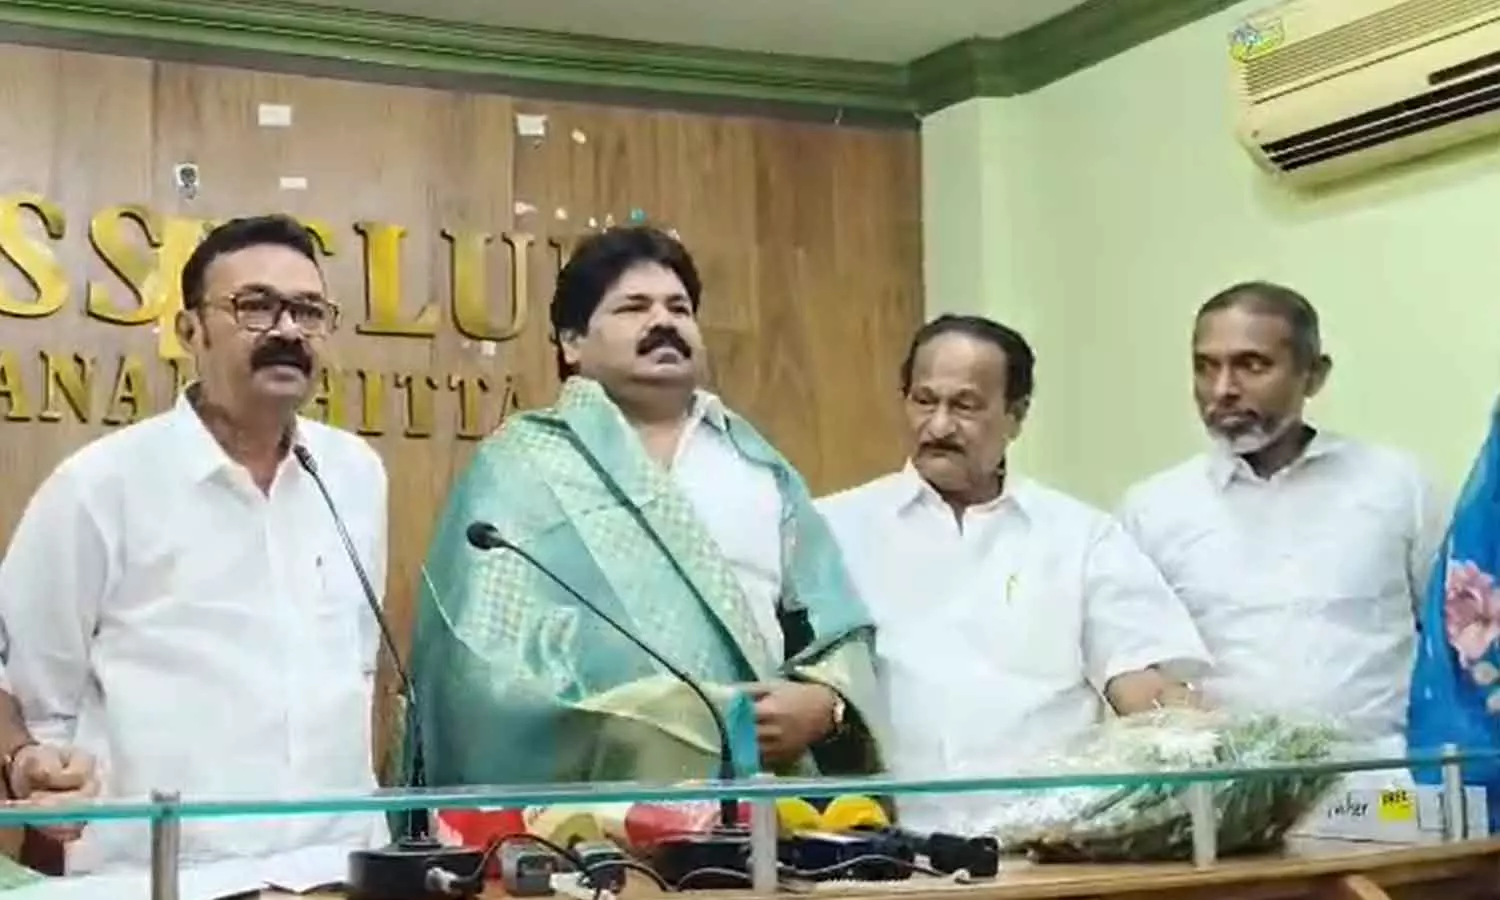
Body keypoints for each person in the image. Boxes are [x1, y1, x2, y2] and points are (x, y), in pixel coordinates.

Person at [412, 226, 885, 788]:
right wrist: (673, 720)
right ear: (572, 343)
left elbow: (836, 629)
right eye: (634, 307)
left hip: (765, 801)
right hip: (592, 814)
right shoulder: (519, 466)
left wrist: (825, 703)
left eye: (679, 308)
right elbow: (481, 666)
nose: (664, 321)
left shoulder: (760, 468)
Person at [0, 215, 389, 872]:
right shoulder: (100, 486)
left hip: (335, 866)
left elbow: (359, 669)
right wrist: (28, 763)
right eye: (256, 306)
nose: (288, 331)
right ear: (189, 331)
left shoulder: (354, 474)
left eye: (308, 311)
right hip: (160, 873)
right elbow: (20, 686)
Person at [816, 314, 1209, 835]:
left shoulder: (1081, 537)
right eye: (924, 400)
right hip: (883, 848)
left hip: (1044, 848)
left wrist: (1200, 742)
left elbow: (1141, 679)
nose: (939, 426)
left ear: (1016, 415)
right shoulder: (833, 529)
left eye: (965, 406)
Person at [1119, 282, 1446, 755]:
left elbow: (1456, 639)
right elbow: (1131, 661)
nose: (1223, 390)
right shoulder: (1152, 509)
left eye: (1252, 365)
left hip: (1381, 779)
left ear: (1313, 375)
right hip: (1221, 787)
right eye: (1205, 367)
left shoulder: (1399, 486)